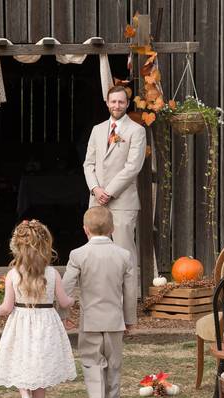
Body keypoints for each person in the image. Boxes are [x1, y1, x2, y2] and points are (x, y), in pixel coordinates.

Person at [0, 220, 77, 398]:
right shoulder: (52, 273)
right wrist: (72, 300)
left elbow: (6, 308)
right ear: (45, 245)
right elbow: (64, 301)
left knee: (21, 362)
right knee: (41, 368)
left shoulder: (13, 275)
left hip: (21, 323)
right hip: (46, 324)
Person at [62, 206, 138, 398]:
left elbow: (66, 287)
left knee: (91, 363)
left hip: (90, 322)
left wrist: (64, 314)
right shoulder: (124, 255)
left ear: (85, 230)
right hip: (115, 322)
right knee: (114, 364)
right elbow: (130, 291)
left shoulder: (78, 254)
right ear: (113, 228)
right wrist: (130, 320)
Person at [82, 84, 146, 316]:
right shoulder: (98, 130)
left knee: (124, 255)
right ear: (107, 103)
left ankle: (127, 312)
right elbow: (88, 163)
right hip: (96, 201)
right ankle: (97, 307)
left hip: (122, 203)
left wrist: (109, 191)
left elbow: (133, 167)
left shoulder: (136, 131)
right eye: (113, 101)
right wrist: (96, 189)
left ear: (127, 104)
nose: (117, 105)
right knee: (95, 255)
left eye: (121, 102)